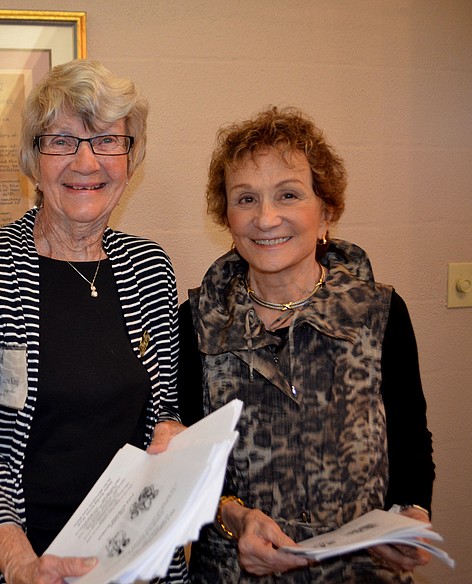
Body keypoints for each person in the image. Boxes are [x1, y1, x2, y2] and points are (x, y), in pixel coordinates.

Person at [0, 59, 188, 584]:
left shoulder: (150, 268)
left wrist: (171, 434)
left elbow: (162, 408)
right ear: (34, 158)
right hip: (18, 563)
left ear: (130, 157)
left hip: (130, 562)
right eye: (63, 141)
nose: (86, 161)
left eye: (107, 140)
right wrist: (19, 561)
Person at [178, 106, 435, 582]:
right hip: (234, 572)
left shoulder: (379, 313)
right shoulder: (197, 323)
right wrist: (235, 518)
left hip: (361, 572)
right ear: (227, 218)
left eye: (289, 194)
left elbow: (410, 440)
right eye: (246, 199)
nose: (266, 218)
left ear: (326, 212)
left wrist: (411, 513)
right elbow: (183, 466)